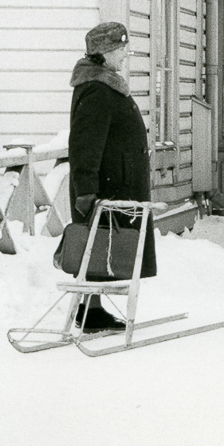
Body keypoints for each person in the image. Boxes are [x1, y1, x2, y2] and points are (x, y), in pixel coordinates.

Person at [68, 21, 152, 329]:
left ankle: (93, 308)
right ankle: (89, 310)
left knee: (104, 247)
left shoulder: (105, 84)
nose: (125, 55)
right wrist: (86, 190)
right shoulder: (96, 89)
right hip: (106, 186)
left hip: (117, 182)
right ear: (104, 53)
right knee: (100, 245)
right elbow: (84, 145)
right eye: (120, 49)